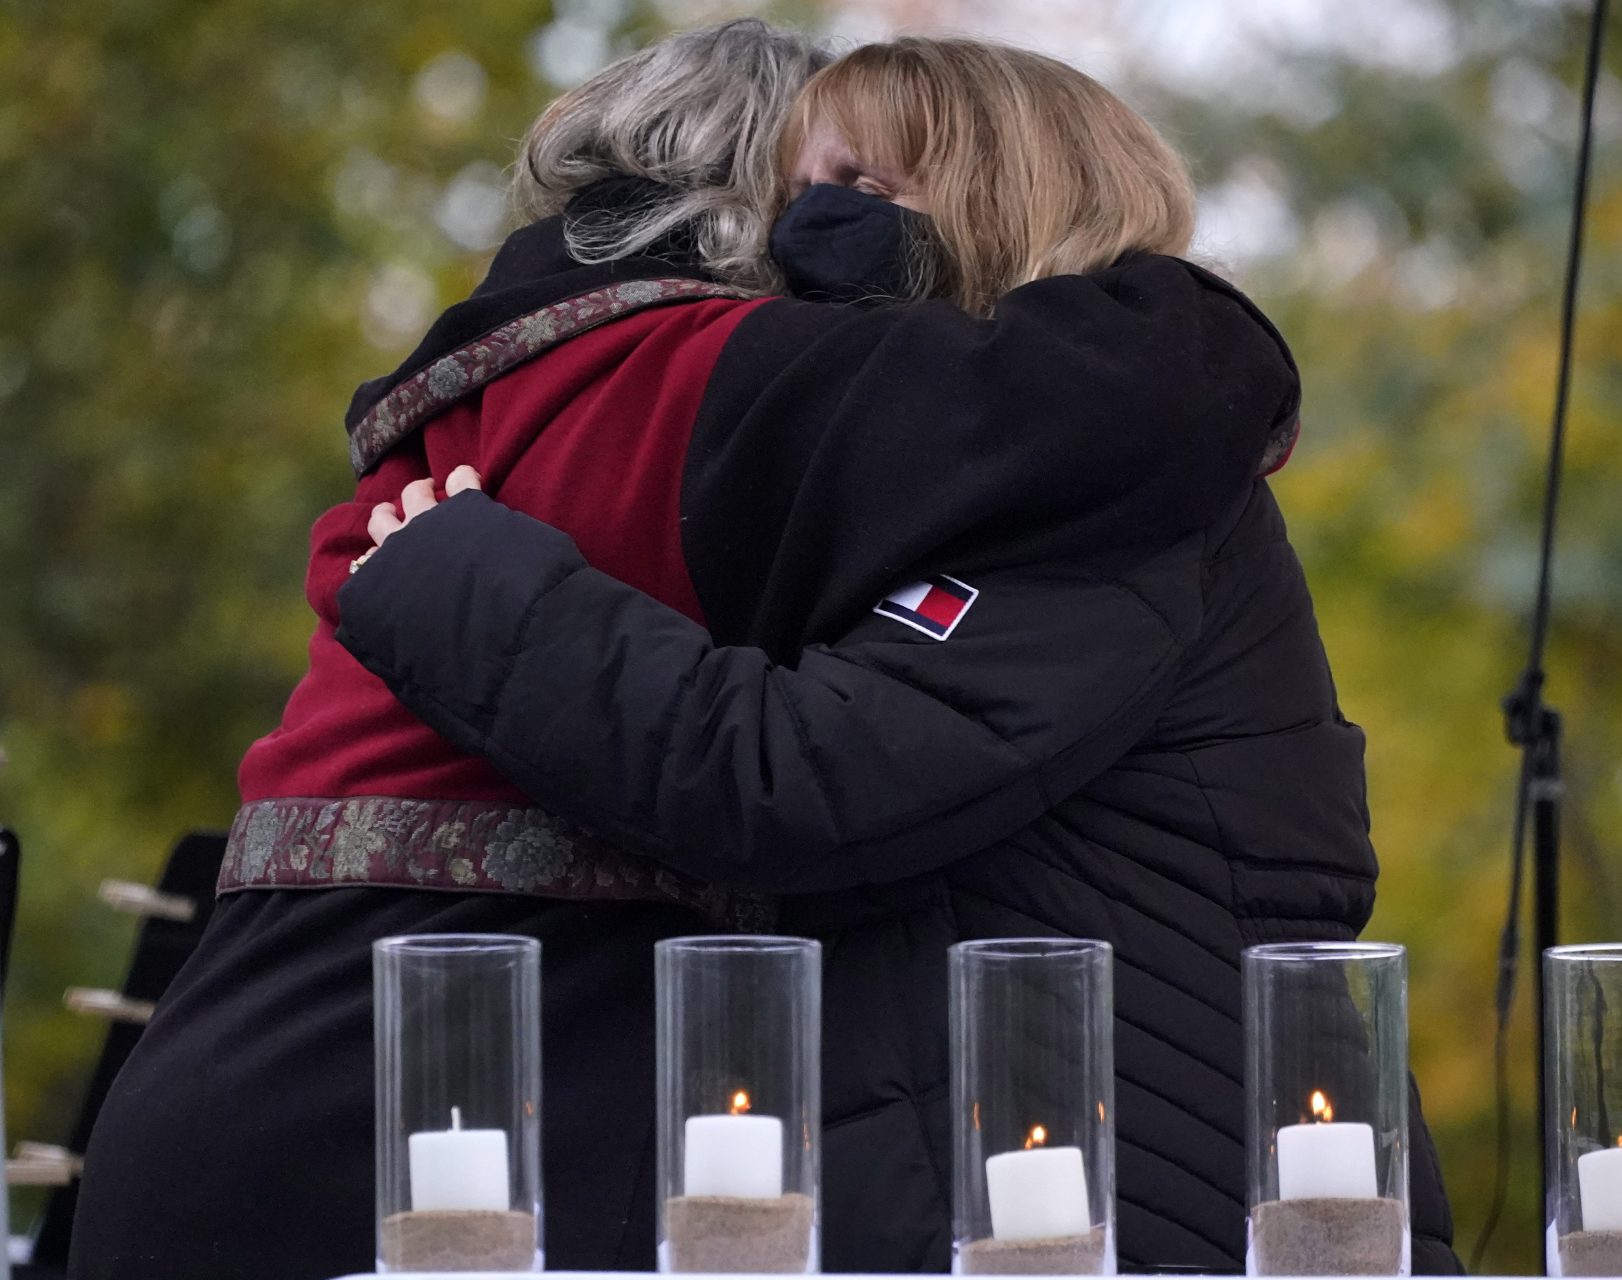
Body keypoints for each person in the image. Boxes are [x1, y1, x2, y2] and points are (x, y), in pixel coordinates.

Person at [67, 22, 1425, 1280]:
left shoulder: (1103, 484)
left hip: (1157, 1177)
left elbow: (794, 776)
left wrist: (457, 579)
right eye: (798, 194)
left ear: (1005, 198)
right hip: (1060, 1156)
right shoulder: (938, 460)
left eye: (861, 185)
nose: (815, 236)